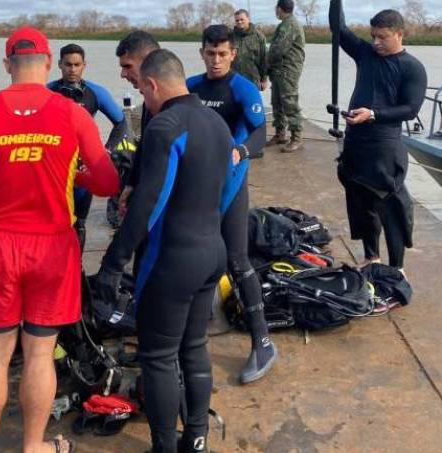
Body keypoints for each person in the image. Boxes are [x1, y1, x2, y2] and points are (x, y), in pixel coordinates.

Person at [0, 27, 119, 453]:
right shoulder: (72, 112)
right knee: (40, 355)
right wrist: (66, 169)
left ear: (7, 65)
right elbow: (108, 181)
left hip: (0, 244)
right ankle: (32, 445)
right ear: (47, 63)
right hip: (52, 246)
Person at [95, 49, 232, 453]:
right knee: (193, 347)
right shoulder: (217, 123)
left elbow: (148, 207)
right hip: (212, 250)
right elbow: (226, 190)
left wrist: (112, 264)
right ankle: (196, 439)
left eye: (141, 90)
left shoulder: (166, 125)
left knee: (157, 356)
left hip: (172, 260)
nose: (142, 100)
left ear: (153, 84)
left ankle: (163, 447)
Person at [187, 25, 278, 384]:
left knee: (238, 261)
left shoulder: (242, 89)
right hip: (198, 186)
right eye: (210, 53)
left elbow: (261, 133)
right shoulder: (193, 86)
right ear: (202, 53)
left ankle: (263, 342)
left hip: (231, 185)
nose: (216, 60)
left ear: (233, 54)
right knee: (198, 255)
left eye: (223, 53)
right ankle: (194, 331)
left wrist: (241, 150)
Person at [329, 2, 427, 273]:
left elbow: (410, 109)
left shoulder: (412, 67)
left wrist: (372, 114)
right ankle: (371, 257)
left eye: (382, 37)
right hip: (356, 143)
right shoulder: (365, 54)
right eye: (373, 35)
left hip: (384, 147)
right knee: (361, 205)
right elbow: (338, 28)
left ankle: (397, 268)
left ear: (399, 34)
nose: (375, 42)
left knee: (390, 209)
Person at [48, 43, 127, 249]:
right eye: (68, 64)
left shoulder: (95, 93)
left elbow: (121, 123)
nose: (72, 69)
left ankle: (77, 269)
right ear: (59, 65)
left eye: (77, 64)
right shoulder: (48, 91)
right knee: (52, 223)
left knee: (79, 224)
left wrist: (105, 152)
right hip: (54, 168)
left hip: (83, 167)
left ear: (84, 65)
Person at [115, 30, 160, 218]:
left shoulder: (172, 111)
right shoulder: (148, 105)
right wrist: (131, 183)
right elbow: (143, 148)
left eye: (127, 66)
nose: (122, 74)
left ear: (147, 62)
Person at [267, 0, 305, 153]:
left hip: (287, 70)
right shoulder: (285, 23)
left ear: (279, 9)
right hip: (279, 70)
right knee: (277, 102)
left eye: (276, 9)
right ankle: (280, 134)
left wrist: (266, 61)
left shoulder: (290, 24)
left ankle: (296, 138)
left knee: (289, 102)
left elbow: (278, 49)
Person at [232, 9, 268, 91]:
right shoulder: (230, 36)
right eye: (237, 20)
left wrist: (264, 79)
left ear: (248, 19)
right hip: (234, 79)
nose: (239, 22)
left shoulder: (259, 37)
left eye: (242, 19)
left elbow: (264, 59)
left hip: (252, 79)